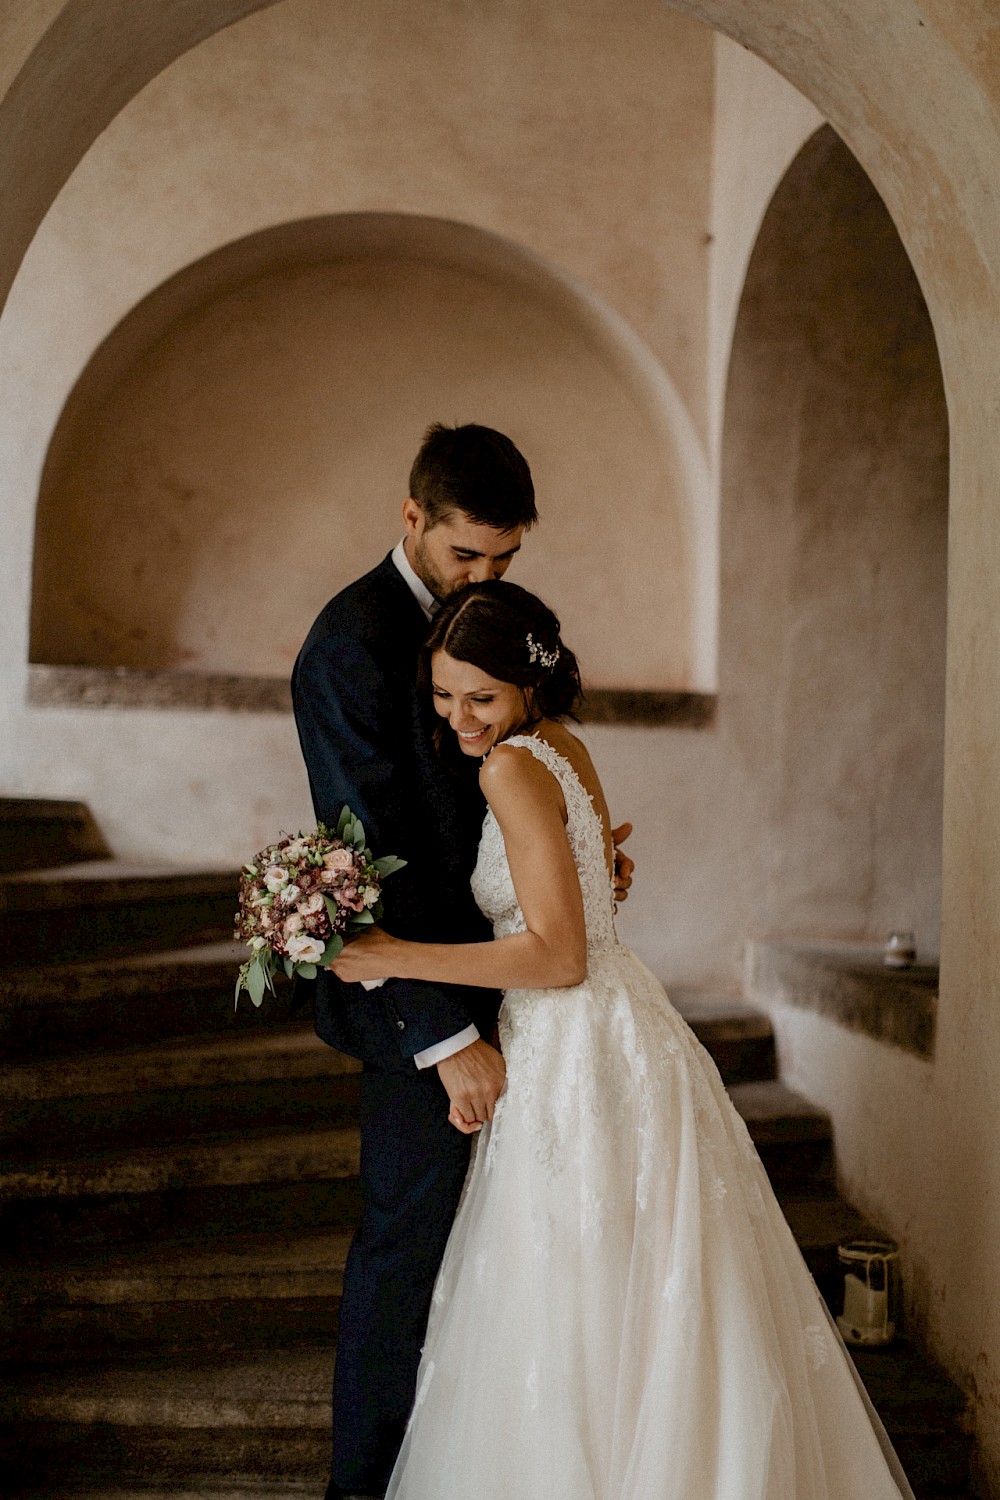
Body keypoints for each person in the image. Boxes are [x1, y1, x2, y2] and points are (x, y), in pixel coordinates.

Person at [330, 580, 917, 1500]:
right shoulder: (564, 746)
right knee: (651, 1289)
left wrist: (397, 953)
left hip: (573, 1041)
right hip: (630, 1028)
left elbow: (558, 956)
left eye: (480, 697)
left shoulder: (508, 768)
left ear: (527, 685)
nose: (459, 719)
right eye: (443, 697)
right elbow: (589, 893)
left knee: (579, 1296)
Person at [292, 422, 633, 1499]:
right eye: (463, 556)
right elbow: (370, 846)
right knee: (407, 1251)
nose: (481, 582)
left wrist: (571, 864)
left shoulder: (487, 633)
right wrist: (443, 1039)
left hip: (532, 992)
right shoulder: (348, 645)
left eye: (504, 561)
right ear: (413, 520)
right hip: (424, 1008)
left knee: (520, 1265)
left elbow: (514, 793)